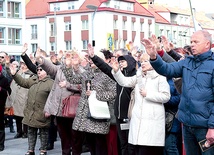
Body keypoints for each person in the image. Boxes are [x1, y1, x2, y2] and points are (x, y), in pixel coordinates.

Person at [142, 30, 214, 155]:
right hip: (187, 125)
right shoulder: (187, 62)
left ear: (207, 44)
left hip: (205, 127)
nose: (192, 44)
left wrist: (212, 127)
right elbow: (167, 69)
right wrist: (154, 57)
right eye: (191, 42)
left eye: (196, 42)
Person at [111, 52, 170, 155]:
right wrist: (116, 71)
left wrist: (148, 94)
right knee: (136, 150)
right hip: (137, 121)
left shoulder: (160, 77)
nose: (143, 63)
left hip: (152, 122)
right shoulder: (139, 76)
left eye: (146, 61)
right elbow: (125, 82)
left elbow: (166, 96)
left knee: (148, 151)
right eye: (141, 61)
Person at [63, 50, 117, 155]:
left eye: (94, 59)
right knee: (90, 143)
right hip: (85, 116)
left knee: (100, 145)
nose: (91, 61)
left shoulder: (108, 74)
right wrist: (69, 66)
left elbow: (113, 93)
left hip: (99, 115)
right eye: (90, 60)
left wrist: (96, 94)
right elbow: (72, 79)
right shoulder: (87, 73)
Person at [87, 44, 137, 155]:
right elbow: (105, 68)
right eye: (119, 62)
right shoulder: (118, 75)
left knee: (131, 145)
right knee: (123, 144)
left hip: (130, 116)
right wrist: (93, 57)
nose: (120, 64)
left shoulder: (136, 76)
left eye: (123, 61)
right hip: (119, 115)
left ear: (131, 62)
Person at [36, 50, 84, 155]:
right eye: (68, 57)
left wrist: (68, 85)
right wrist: (40, 59)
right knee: (64, 137)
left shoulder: (81, 70)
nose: (69, 59)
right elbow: (49, 67)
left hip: (74, 110)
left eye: (72, 57)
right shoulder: (60, 69)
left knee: (76, 137)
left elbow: (83, 86)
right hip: (60, 109)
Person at [9, 64, 53, 155]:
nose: (39, 71)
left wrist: (50, 109)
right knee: (31, 131)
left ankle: (43, 150)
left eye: (41, 69)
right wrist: (14, 74)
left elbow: (54, 98)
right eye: (38, 69)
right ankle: (30, 150)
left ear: (47, 71)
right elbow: (23, 82)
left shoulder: (51, 83)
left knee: (43, 132)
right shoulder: (33, 79)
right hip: (31, 111)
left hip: (43, 112)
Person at [0, 65, 12, 151]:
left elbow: (9, 92)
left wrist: (1, 89)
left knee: (0, 127)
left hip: (1, 106)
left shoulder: (4, 80)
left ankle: (1, 145)